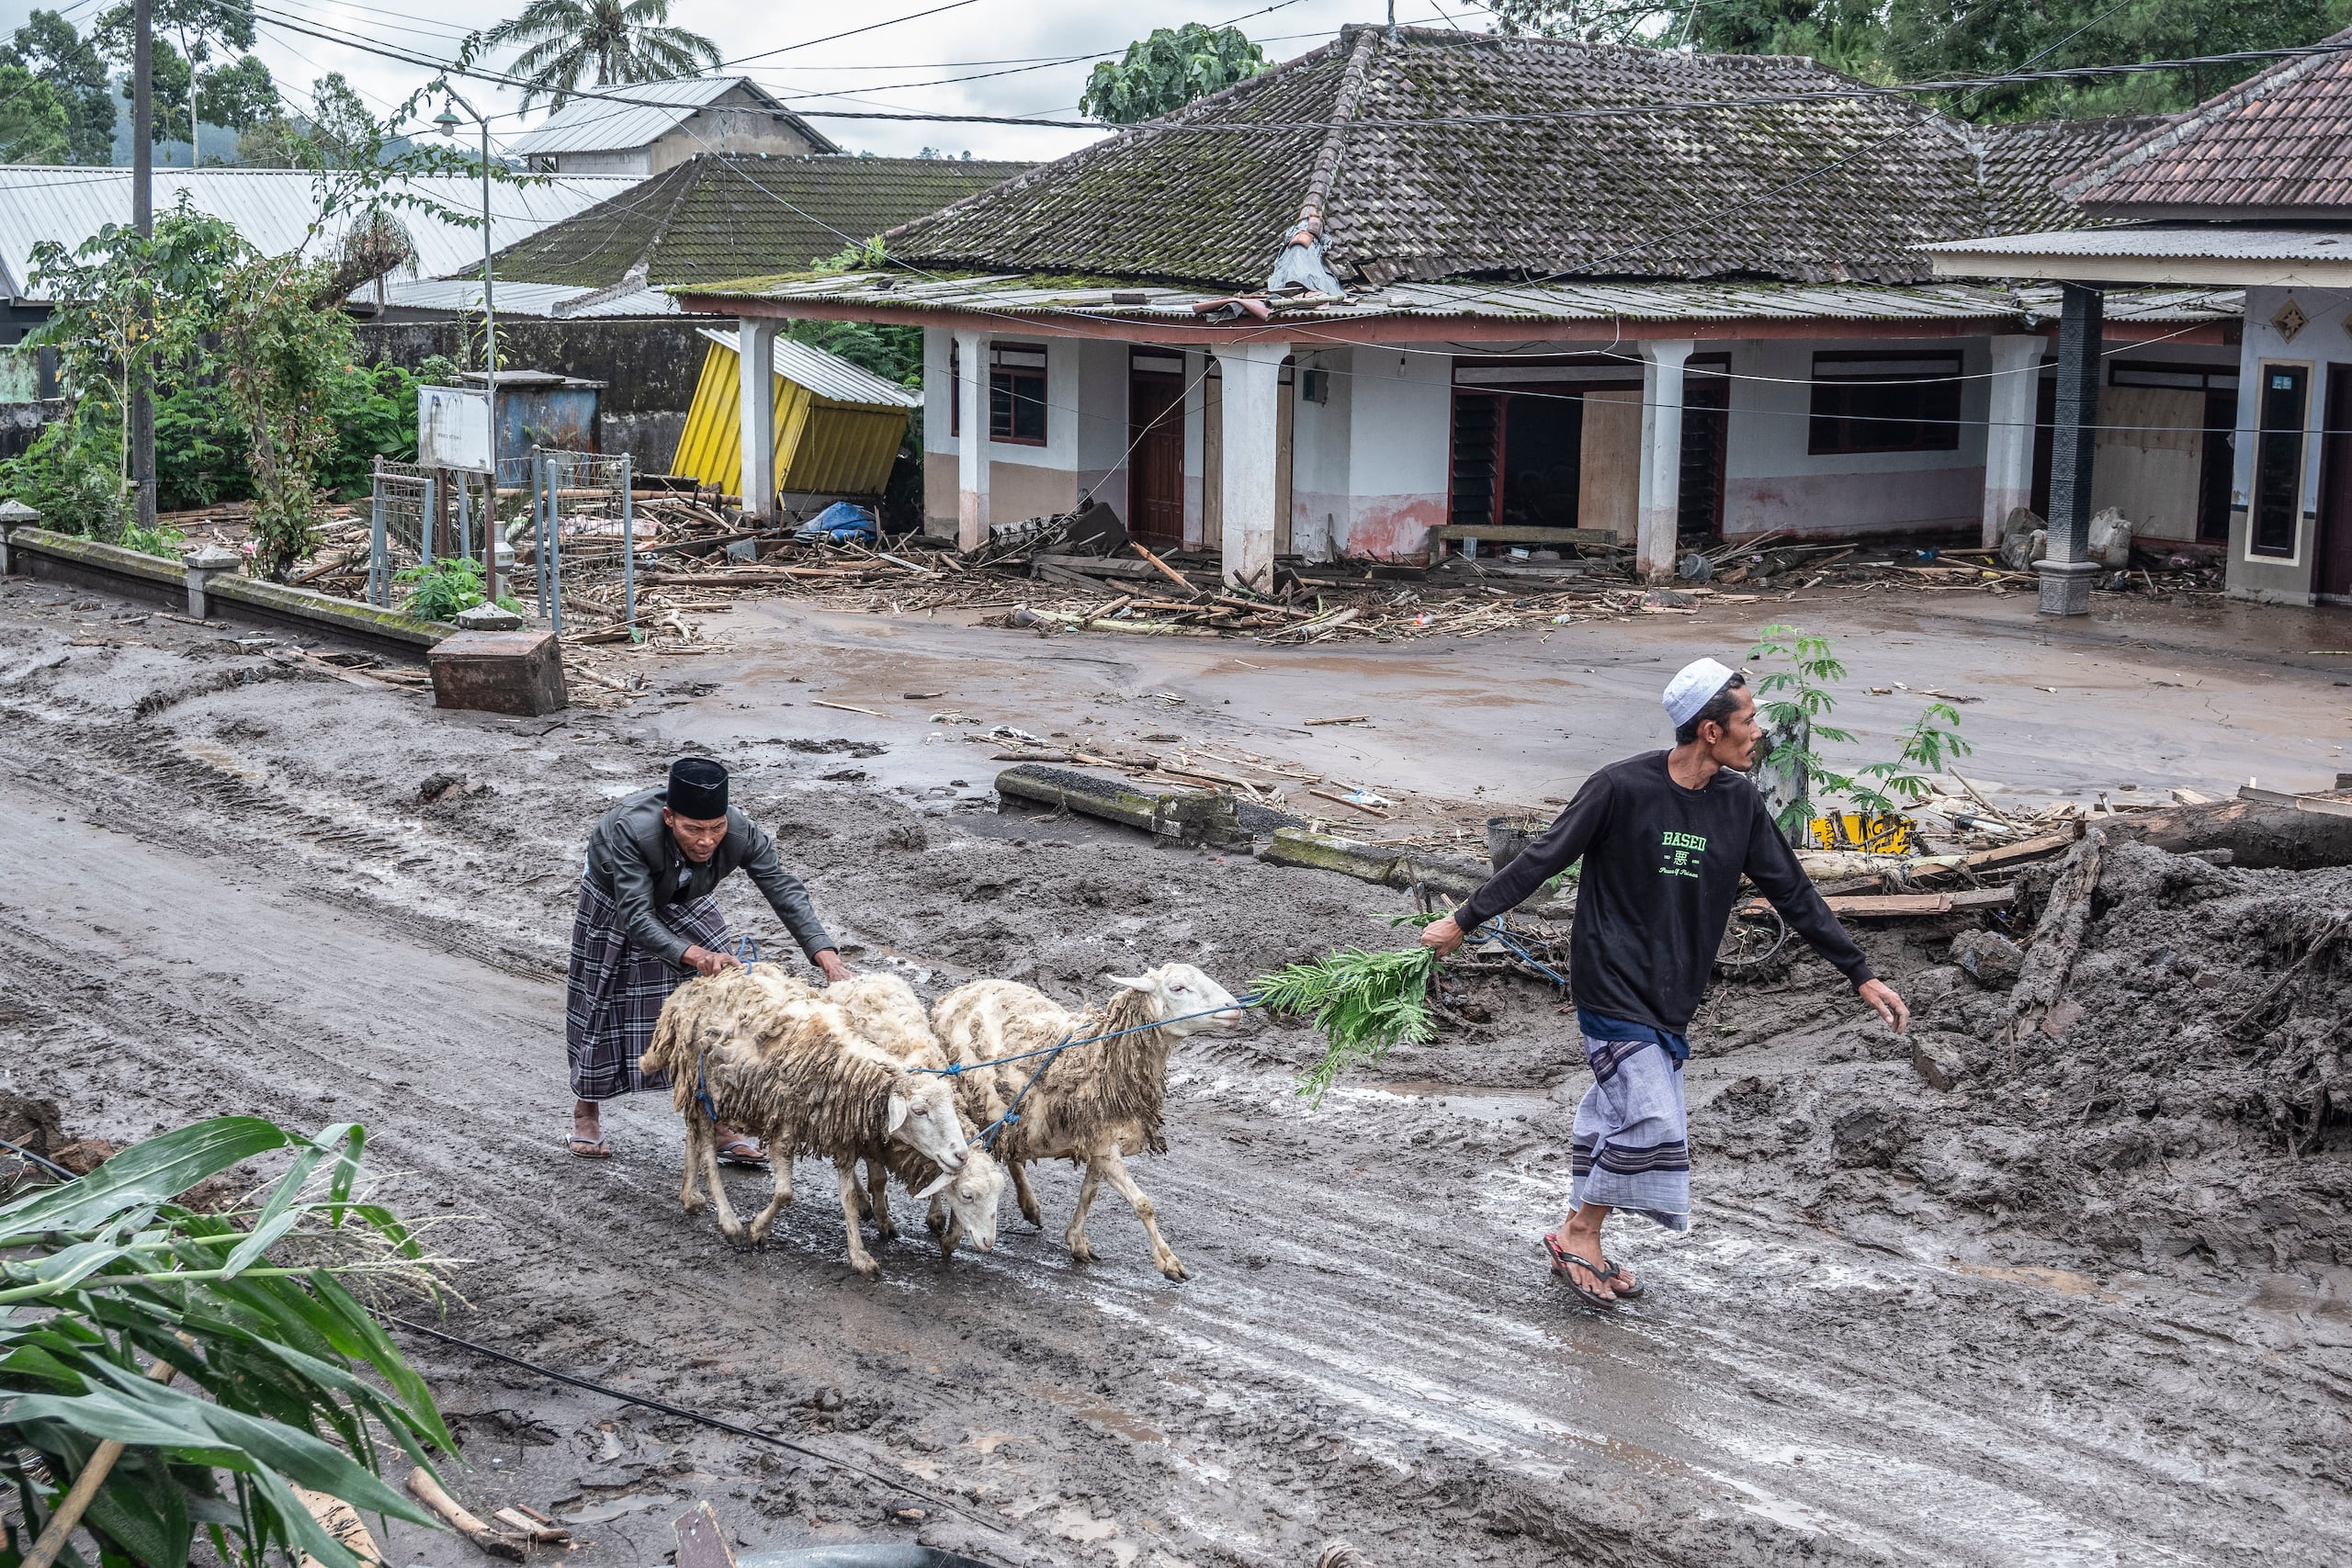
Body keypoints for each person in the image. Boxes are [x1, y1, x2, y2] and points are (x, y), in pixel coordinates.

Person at [1419, 656, 1908, 1306]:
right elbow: (1542, 858)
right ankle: (1578, 1233)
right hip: (1611, 984)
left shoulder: (1738, 803)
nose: (1758, 730)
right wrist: (1463, 918)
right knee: (1651, 1118)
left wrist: (1859, 972)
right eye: (1748, 719)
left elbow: (1792, 891)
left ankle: (1581, 1230)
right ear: (1710, 730)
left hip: (1672, 995)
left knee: (1618, 1113)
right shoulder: (1620, 788)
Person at [565, 757, 851, 1158]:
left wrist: (826, 956)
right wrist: (694, 954)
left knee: (719, 1009)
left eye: (715, 829)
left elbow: (783, 889)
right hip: (618, 900)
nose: (706, 841)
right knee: (605, 999)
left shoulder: (741, 832)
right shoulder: (630, 831)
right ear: (668, 818)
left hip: (684, 895)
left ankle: (718, 1123)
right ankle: (586, 1112)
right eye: (693, 829)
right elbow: (637, 916)